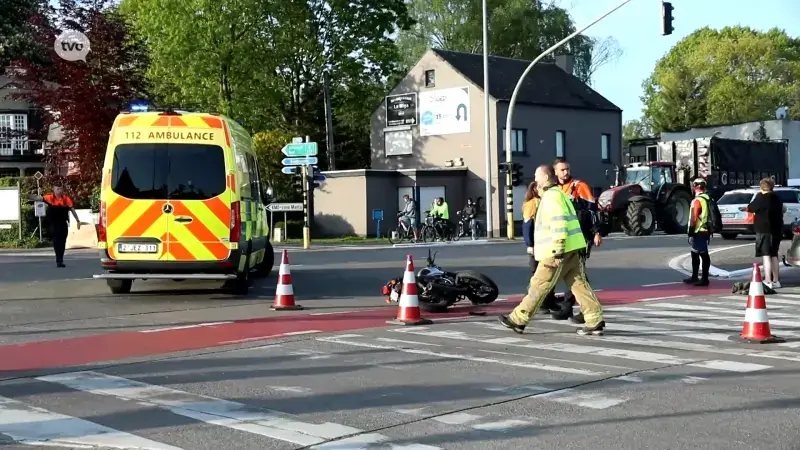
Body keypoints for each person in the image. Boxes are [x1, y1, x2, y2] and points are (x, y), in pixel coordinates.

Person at [499, 164, 606, 336]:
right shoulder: (558, 195)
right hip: (572, 249)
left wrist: (558, 249)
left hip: (556, 252)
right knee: (579, 285)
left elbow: (559, 222)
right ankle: (594, 319)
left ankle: (518, 319)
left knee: (539, 285)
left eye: (537, 176)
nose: (535, 179)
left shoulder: (551, 197)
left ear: (546, 178)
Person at [551, 157, 603, 323]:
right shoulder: (554, 189)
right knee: (571, 273)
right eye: (562, 170)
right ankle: (566, 306)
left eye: (567, 169)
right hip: (562, 237)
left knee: (577, 273)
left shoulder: (579, 186)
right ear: (555, 172)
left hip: (581, 236)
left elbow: (592, 210)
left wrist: (596, 232)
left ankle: (579, 308)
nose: (565, 172)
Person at [522, 181, 559, 313]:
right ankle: (541, 303)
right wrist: (530, 245)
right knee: (540, 275)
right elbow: (527, 226)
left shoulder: (543, 202)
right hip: (539, 245)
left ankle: (547, 301)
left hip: (544, 245)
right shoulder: (533, 204)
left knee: (546, 274)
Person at [28, 184, 81, 268]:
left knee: (63, 242)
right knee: (56, 242)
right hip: (53, 224)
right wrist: (29, 195)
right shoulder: (50, 198)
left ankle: (61, 259)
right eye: (57, 189)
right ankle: (58, 260)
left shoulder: (66, 199)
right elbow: (38, 198)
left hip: (63, 224)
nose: (59, 190)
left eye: (60, 189)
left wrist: (78, 220)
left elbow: (72, 209)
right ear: (54, 189)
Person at [747, 178, 786, 288]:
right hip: (777, 230)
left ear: (761, 187)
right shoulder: (777, 198)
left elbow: (750, 208)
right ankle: (776, 280)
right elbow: (783, 209)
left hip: (763, 230)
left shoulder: (760, 197)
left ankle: (768, 280)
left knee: (766, 255)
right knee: (774, 255)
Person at [683, 178, 712, 286]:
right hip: (706, 230)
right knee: (695, 253)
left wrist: (690, 232)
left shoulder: (697, 200)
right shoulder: (708, 198)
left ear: (695, 187)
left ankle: (703, 279)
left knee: (702, 255)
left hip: (699, 230)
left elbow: (694, 217)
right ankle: (696, 276)